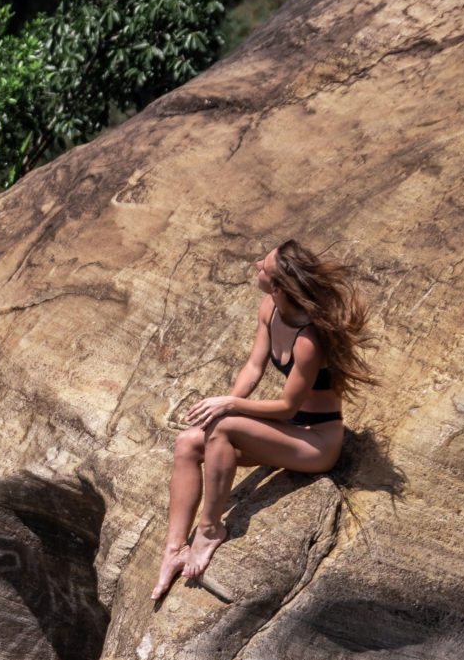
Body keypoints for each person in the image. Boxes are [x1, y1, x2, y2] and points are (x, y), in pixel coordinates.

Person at [152, 238, 374, 605]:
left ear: (278, 285)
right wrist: (225, 404)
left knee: (222, 427)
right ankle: (173, 548)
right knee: (189, 442)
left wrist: (230, 408)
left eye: (263, 267)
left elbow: (288, 407)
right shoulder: (270, 307)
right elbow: (254, 367)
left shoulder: (309, 340)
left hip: (314, 442)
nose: (255, 264)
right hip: (285, 432)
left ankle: (209, 530)